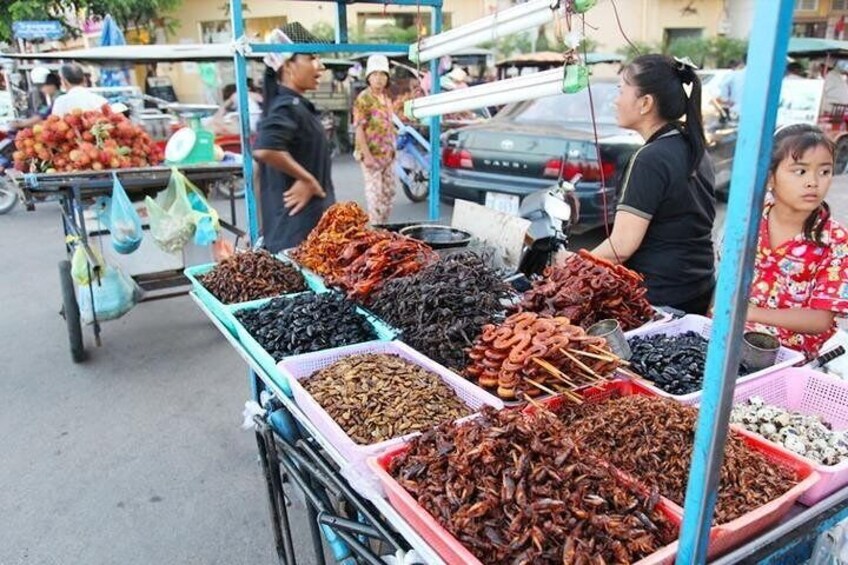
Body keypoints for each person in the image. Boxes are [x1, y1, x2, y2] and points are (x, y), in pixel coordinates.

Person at [590, 54, 716, 315]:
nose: (615, 100)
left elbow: (621, 247)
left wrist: (571, 263)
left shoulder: (650, 158)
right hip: (697, 289)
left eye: (621, 90)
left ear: (645, 102)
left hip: (659, 299)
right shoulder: (692, 146)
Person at [746, 124, 848, 359]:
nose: (813, 182)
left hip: (790, 356)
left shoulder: (835, 241)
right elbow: (726, 281)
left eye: (824, 171)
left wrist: (750, 314)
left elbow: (820, 320)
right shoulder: (749, 221)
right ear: (771, 176)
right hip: (729, 340)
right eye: (800, 171)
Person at [252, 24, 334, 253]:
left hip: (307, 234)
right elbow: (265, 148)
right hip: (297, 238)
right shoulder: (286, 106)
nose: (321, 66)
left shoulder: (296, 106)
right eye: (312, 58)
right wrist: (308, 180)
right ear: (288, 65)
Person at [353, 55, 398, 224]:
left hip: (388, 155)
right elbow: (359, 129)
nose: (379, 79)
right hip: (371, 155)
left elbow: (388, 125)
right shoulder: (364, 98)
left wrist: (394, 149)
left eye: (382, 75)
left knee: (389, 193)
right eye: (375, 74)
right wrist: (367, 156)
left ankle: (383, 227)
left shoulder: (386, 98)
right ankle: (375, 230)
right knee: (375, 196)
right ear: (368, 77)